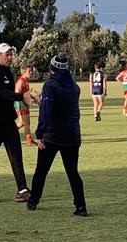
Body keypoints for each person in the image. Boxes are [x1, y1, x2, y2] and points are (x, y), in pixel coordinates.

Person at [27, 53, 87, 216]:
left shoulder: (50, 86)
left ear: (51, 68)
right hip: (72, 135)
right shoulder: (75, 87)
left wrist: (39, 133)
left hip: (52, 135)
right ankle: (80, 206)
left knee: (41, 170)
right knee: (72, 172)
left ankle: (33, 201)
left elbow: (46, 111)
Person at [0, 43, 31, 203]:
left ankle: (22, 190)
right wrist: (21, 97)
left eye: (11, 54)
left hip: (7, 121)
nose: (10, 58)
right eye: (7, 55)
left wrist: (23, 102)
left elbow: (10, 94)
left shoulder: (8, 71)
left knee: (16, 154)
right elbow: (3, 92)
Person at [15, 64, 39, 145]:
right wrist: (22, 103)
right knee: (22, 122)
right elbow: (17, 93)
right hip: (20, 104)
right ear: (23, 71)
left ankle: (29, 140)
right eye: (29, 71)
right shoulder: (21, 81)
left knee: (26, 122)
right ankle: (6, 135)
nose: (31, 72)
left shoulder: (25, 80)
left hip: (25, 104)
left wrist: (34, 99)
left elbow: (26, 93)